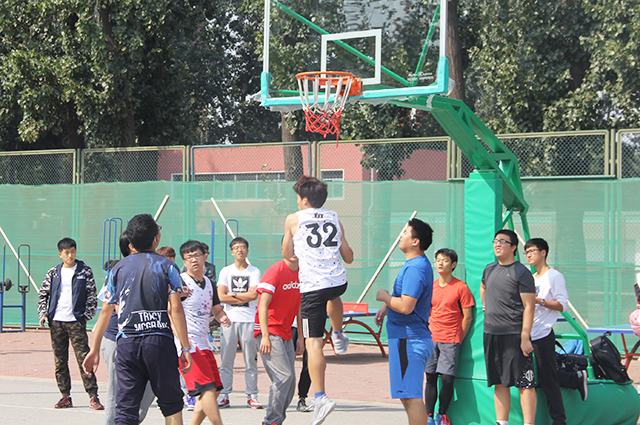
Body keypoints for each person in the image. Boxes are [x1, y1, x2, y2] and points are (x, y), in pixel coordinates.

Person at [83, 214, 192, 425]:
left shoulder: (117, 269)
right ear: (156, 238)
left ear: (131, 242)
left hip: (127, 344)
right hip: (159, 341)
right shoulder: (167, 266)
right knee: (171, 405)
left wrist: (94, 349)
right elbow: (176, 310)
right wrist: (185, 347)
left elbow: (105, 312)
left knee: (125, 410)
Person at [282, 175, 354, 425]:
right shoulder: (334, 217)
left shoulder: (294, 219)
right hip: (338, 280)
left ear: (304, 200)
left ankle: (321, 397)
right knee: (334, 293)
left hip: (313, 287)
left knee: (312, 344)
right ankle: (338, 333)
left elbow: (287, 253)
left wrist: (295, 253)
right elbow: (349, 256)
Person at [374, 218, 434, 425]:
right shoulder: (415, 265)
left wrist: (384, 297)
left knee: (410, 396)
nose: (401, 235)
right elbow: (405, 299)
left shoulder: (415, 268)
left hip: (409, 339)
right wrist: (388, 305)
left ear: (415, 241)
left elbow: (407, 306)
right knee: (407, 395)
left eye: (406, 232)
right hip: (407, 339)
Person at [525, 238, 588, 425]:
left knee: (548, 379)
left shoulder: (554, 276)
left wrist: (540, 301)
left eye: (532, 251)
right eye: (526, 252)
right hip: (528, 332)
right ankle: (574, 379)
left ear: (543, 252)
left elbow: (562, 305)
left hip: (543, 334)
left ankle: (559, 420)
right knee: (537, 375)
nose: (528, 255)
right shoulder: (531, 278)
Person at [37, 237, 103, 410]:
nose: (70, 255)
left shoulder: (84, 271)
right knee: (60, 361)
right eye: (66, 253)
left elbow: (92, 294)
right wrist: (43, 314)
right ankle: (65, 396)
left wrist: (86, 315)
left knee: (84, 359)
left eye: (73, 252)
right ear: (60, 254)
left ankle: (93, 396)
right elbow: (43, 294)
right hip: (56, 322)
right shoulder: (54, 272)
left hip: (76, 322)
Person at [480, 229, 536, 425]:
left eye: (503, 241)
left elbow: (529, 306)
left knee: (525, 383)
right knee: (499, 382)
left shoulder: (521, 272)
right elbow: (483, 286)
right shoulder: (489, 269)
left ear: (513, 247)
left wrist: (525, 337)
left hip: (514, 334)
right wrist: (486, 304)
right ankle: (501, 422)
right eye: (495, 241)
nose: (497, 244)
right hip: (491, 333)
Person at [99, 233, 155, 425]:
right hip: (118, 339)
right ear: (132, 246)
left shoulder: (152, 267)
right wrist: (94, 348)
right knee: (118, 392)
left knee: (151, 386)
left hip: (145, 340)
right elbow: (110, 309)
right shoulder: (118, 271)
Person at [178, 240, 231, 425]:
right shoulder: (180, 282)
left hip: (203, 343)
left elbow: (216, 309)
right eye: (189, 257)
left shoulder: (209, 283)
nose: (194, 260)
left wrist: (222, 317)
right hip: (188, 344)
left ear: (205, 256)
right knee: (207, 389)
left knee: (215, 389)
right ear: (184, 261)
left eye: (197, 255)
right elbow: (171, 311)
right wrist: (182, 341)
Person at [255, 239, 305, 425]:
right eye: (290, 247)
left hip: (286, 332)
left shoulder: (303, 273)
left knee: (290, 383)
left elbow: (299, 307)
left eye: (297, 247)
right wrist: (265, 336)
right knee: (283, 377)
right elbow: (262, 305)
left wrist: (301, 337)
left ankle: (277, 420)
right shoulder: (274, 271)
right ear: (282, 249)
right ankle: (271, 421)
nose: (294, 251)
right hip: (269, 331)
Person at [425, 248, 475, 425]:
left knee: (447, 379)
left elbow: (468, 317)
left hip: (450, 340)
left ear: (453, 265)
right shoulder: (431, 286)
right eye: (438, 260)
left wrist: (458, 337)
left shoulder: (461, 287)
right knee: (430, 378)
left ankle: (442, 415)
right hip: (431, 339)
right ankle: (429, 417)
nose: (440, 263)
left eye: (445, 260)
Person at [216, 236, 262, 409]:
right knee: (226, 359)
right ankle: (224, 395)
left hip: (249, 319)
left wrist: (233, 294)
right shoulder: (225, 271)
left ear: (247, 251)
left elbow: (254, 295)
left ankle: (252, 395)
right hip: (229, 320)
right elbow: (221, 296)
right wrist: (241, 296)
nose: (240, 250)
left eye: (243, 247)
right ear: (232, 252)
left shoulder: (254, 271)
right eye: (236, 248)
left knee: (251, 359)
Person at [291, 318, 312, 412]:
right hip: (290, 325)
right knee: (285, 366)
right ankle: (280, 398)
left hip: (308, 326)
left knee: (309, 364)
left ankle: (302, 398)